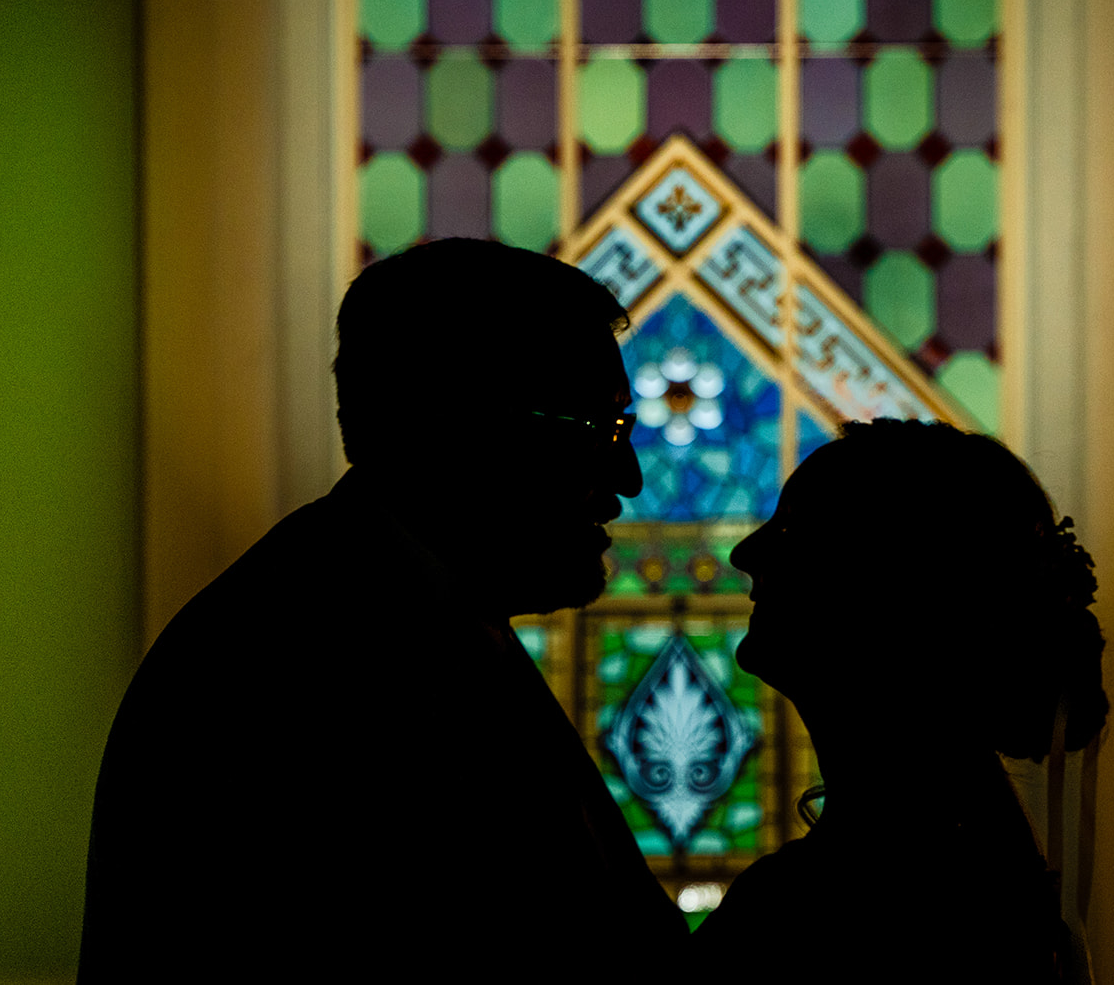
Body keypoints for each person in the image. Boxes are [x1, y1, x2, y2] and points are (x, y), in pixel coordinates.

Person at [78, 239, 689, 980]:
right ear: (449, 425)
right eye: (592, 429)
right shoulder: (298, 671)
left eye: (622, 431)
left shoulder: (427, 619)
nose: (627, 476)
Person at [691, 419, 1108, 981]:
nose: (746, 551)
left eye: (791, 529)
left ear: (891, 587)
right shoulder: (961, 864)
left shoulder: (841, 911)